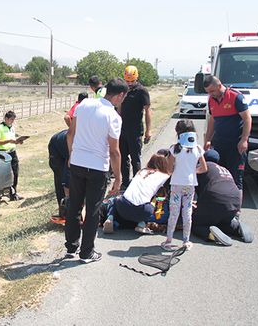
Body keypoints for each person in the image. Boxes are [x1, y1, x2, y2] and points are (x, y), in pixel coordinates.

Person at [65, 78, 128, 263]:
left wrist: (71, 155)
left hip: (77, 161)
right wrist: (118, 177)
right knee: (92, 210)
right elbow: (114, 151)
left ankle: (71, 247)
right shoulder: (114, 116)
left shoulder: (84, 104)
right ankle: (86, 253)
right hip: (97, 167)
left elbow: (71, 133)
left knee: (74, 206)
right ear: (120, 95)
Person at [161, 120, 208, 251]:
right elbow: (204, 168)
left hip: (176, 184)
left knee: (174, 212)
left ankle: (169, 240)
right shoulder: (198, 149)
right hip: (190, 184)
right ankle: (186, 241)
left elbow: (169, 169)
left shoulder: (174, 149)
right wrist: (193, 171)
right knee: (187, 212)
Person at [102, 149, 172, 234]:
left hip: (123, 206)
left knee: (115, 199)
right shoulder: (165, 176)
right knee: (152, 201)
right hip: (143, 211)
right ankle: (141, 224)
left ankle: (110, 218)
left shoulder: (141, 171)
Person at [192, 149, 254, 245]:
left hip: (215, 198)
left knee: (196, 223)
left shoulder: (203, 167)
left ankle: (210, 234)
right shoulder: (225, 169)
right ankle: (236, 227)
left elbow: (196, 190)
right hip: (235, 200)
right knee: (223, 222)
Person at [203, 75, 252, 190]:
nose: (211, 94)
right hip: (219, 144)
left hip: (235, 144)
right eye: (208, 92)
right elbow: (212, 120)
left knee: (235, 178)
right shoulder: (211, 100)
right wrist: (208, 140)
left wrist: (244, 140)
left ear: (219, 85)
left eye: (212, 91)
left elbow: (247, 119)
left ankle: (236, 205)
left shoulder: (236, 97)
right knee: (219, 176)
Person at [119, 65, 152, 190]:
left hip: (135, 130)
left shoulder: (142, 91)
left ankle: (137, 182)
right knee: (122, 158)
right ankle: (125, 182)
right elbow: (119, 108)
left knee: (135, 158)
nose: (129, 84)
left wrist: (149, 130)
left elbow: (148, 110)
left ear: (136, 78)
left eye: (132, 81)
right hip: (122, 130)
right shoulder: (122, 90)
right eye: (127, 81)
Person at [0, 111, 25, 201]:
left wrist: (17, 141)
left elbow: (12, 139)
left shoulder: (12, 128)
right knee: (3, 174)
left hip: (12, 152)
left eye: (13, 120)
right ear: (6, 119)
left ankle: (13, 193)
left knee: (15, 173)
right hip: (3, 153)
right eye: (11, 119)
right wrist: (9, 141)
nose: (12, 121)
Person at [48, 129, 70, 220]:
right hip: (56, 148)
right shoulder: (76, 144)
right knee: (62, 180)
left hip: (66, 148)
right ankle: (64, 213)